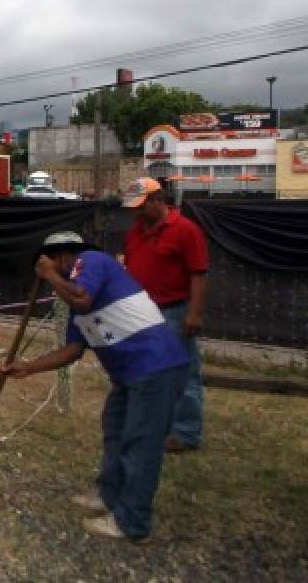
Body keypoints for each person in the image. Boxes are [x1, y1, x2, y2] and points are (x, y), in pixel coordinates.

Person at [2, 232, 189, 543]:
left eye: (49, 264)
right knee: (114, 429)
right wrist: (27, 367)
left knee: (140, 444)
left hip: (156, 366)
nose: (47, 275)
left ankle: (133, 522)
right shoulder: (77, 306)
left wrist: (49, 274)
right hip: (130, 373)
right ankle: (109, 494)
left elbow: (81, 296)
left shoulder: (92, 262)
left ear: (63, 256)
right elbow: (72, 351)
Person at [120, 177, 209, 453]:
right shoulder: (135, 233)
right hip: (142, 314)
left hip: (173, 311)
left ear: (158, 200)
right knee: (146, 372)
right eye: (133, 208)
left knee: (183, 374)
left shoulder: (185, 230)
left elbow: (198, 273)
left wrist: (193, 314)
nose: (136, 213)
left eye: (141, 207)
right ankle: (156, 424)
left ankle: (185, 433)